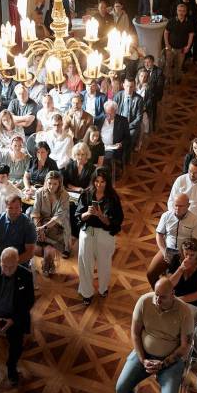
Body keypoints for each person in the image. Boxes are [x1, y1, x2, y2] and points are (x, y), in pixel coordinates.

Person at [115, 278, 195, 393]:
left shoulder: (185, 312)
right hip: (143, 354)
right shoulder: (144, 301)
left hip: (171, 361)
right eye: (156, 295)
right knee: (121, 389)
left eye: (163, 297)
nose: (157, 300)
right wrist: (143, 360)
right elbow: (135, 333)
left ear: (172, 294)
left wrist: (163, 364)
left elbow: (185, 346)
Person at [0, 247, 35, 384]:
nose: (8, 270)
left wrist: (13, 320)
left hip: (15, 316)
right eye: (5, 266)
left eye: (12, 267)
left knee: (17, 345)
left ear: (17, 262)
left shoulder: (26, 275)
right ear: (0, 262)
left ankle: (11, 367)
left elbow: (29, 301)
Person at [76, 167, 124, 303]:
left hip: (104, 234)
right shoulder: (86, 194)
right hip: (87, 232)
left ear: (107, 182)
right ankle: (86, 293)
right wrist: (88, 213)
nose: (99, 184)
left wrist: (100, 215)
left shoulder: (113, 198)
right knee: (85, 264)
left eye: (102, 182)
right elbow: (79, 216)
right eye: (96, 181)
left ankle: (103, 288)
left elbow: (115, 221)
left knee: (104, 263)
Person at [148, 193, 197, 286]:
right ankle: (159, 292)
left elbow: (196, 242)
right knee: (151, 273)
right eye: (176, 205)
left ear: (188, 206)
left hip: (184, 253)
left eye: (181, 206)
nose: (177, 208)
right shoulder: (166, 216)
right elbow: (159, 234)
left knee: (182, 281)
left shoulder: (195, 221)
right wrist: (164, 251)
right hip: (168, 250)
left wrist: (187, 257)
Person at [0, 193, 37, 272]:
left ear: (21, 208)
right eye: (10, 208)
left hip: (18, 262)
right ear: (5, 208)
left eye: (17, 208)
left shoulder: (28, 225)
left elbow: (30, 252)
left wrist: (9, 264)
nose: (14, 211)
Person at [31, 170, 71, 274]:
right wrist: (39, 229)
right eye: (49, 183)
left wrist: (43, 228)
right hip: (41, 224)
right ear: (45, 182)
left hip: (58, 226)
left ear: (60, 184)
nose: (51, 186)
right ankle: (48, 262)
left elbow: (58, 217)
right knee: (39, 245)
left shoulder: (65, 195)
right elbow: (35, 213)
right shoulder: (39, 193)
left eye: (55, 184)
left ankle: (47, 261)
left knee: (51, 246)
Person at [168, 158, 197, 225]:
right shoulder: (180, 180)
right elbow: (171, 200)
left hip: (196, 220)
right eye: (190, 171)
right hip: (178, 217)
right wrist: (174, 215)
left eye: (196, 173)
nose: (192, 175)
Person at [163, 3, 195, 84]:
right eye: (179, 10)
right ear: (176, 11)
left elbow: (191, 35)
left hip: (182, 49)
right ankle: (168, 78)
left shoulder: (189, 22)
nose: (181, 12)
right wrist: (167, 44)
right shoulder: (171, 21)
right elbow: (166, 33)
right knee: (168, 64)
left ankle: (177, 77)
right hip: (170, 48)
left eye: (183, 11)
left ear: (186, 12)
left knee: (179, 65)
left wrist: (188, 46)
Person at [95, 100, 130, 164]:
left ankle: (102, 169)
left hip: (113, 148)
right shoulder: (98, 119)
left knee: (105, 158)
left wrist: (121, 144)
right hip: (99, 146)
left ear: (116, 112)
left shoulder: (123, 121)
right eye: (107, 113)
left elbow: (127, 138)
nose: (108, 116)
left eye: (111, 114)